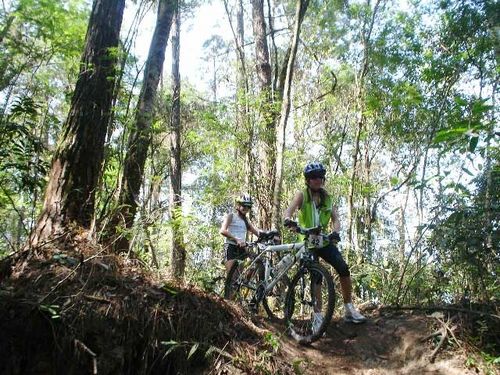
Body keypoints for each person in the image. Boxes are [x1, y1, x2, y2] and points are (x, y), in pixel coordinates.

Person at [284, 162, 366, 331]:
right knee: (317, 277)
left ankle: (349, 308)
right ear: (308, 180)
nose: (317, 180)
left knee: (343, 268)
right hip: (308, 242)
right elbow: (289, 210)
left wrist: (335, 232)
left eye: (320, 176)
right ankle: (317, 316)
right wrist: (288, 220)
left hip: (323, 240)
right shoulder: (302, 195)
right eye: (313, 177)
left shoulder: (328, 198)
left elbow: (336, 219)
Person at [219, 194, 262, 275]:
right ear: (238, 205)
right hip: (231, 247)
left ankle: (245, 282)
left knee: (239, 277)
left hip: (242, 249)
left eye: (248, 206)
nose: (246, 208)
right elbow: (222, 230)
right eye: (244, 205)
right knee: (232, 276)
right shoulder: (231, 216)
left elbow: (257, 232)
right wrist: (236, 240)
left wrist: (270, 235)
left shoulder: (246, 221)